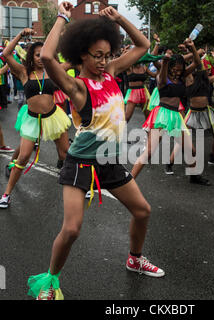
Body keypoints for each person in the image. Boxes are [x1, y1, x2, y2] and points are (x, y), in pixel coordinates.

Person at [27, 2, 164, 300]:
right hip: (81, 165)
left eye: (107, 55)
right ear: (81, 54)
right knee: (72, 229)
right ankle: (51, 280)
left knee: (143, 211)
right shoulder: (78, 86)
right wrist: (62, 17)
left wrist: (119, 18)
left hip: (109, 162)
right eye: (97, 56)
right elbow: (48, 56)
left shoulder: (113, 71)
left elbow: (143, 44)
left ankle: (134, 258)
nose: (103, 61)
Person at [0, 29, 71, 209]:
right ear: (32, 56)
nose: (40, 58)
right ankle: (7, 194)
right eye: (37, 55)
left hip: (53, 117)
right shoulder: (24, 72)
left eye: (43, 55)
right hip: (32, 119)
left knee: (65, 154)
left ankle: (80, 186)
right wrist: (21, 35)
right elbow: (6, 54)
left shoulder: (53, 70)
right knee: (23, 156)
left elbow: (74, 61)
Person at [131, 38, 202, 182]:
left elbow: (197, 63)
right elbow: (162, 75)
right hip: (162, 114)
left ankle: (194, 176)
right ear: (169, 67)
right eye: (175, 68)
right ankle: (129, 181)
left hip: (176, 116)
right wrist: (165, 62)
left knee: (191, 150)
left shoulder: (181, 77)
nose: (177, 71)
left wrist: (193, 47)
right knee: (149, 152)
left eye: (180, 68)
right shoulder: (162, 77)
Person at [168, 50, 214, 174]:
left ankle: (213, 157)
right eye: (205, 67)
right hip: (193, 113)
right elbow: (191, 63)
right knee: (183, 137)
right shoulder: (189, 78)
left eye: (208, 68)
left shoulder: (207, 80)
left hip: (207, 112)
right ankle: (170, 163)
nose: (208, 70)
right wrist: (194, 52)